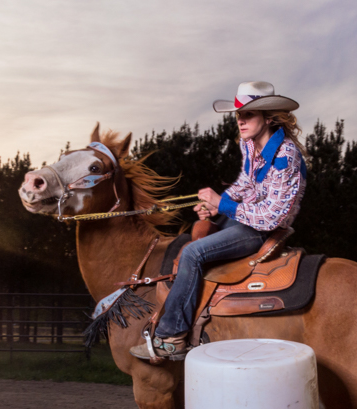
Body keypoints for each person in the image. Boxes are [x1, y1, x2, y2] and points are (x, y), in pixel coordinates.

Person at [130, 81, 308, 361]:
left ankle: (172, 337)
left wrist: (222, 204)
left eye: (248, 114)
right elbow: (247, 185)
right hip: (247, 218)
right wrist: (215, 207)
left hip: (263, 229)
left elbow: (273, 216)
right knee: (198, 233)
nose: (240, 120)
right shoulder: (249, 144)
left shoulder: (286, 156)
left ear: (269, 117)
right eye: (238, 114)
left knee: (193, 252)